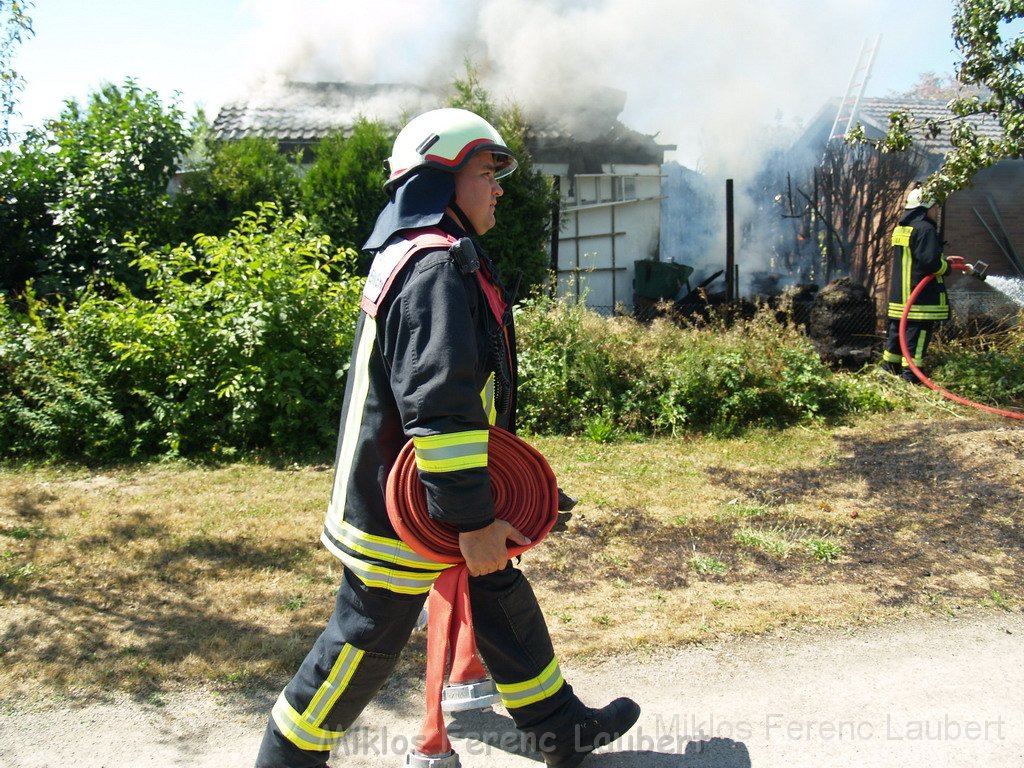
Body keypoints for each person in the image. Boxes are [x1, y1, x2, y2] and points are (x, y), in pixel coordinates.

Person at [254, 107, 640, 768]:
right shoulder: (434, 267)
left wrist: (512, 498)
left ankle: (558, 730)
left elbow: (456, 403)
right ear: (444, 175)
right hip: (402, 514)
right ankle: (285, 757)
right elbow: (440, 406)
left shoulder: (419, 254)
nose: (498, 188)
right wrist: (473, 518)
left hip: (425, 498)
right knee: (364, 640)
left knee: (498, 593)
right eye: (488, 172)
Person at [880, 184, 951, 383]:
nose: (936, 211)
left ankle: (887, 374)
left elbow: (916, 259)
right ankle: (911, 380)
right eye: (935, 207)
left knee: (896, 339)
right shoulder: (926, 229)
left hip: (900, 300)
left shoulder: (902, 229)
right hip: (919, 302)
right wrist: (947, 267)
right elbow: (930, 263)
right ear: (926, 206)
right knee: (916, 343)